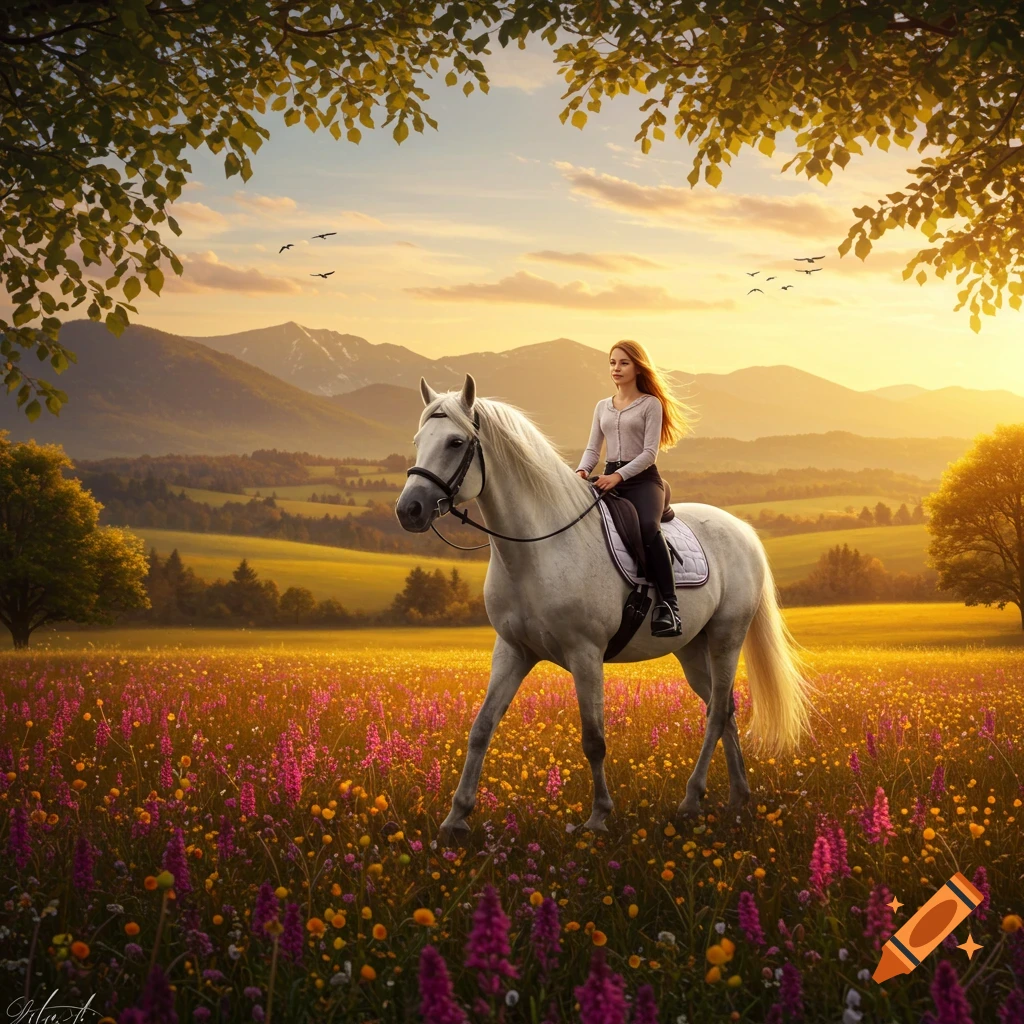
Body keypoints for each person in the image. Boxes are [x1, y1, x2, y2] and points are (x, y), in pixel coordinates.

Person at [575, 340, 695, 636]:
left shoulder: (650, 404)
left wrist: (618, 478)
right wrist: (581, 472)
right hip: (607, 478)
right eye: (613, 363)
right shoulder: (602, 406)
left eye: (623, 363)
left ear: (638, 367)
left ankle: (669, 606)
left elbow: (648, 454)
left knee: (646, 527)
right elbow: (593, 449)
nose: (616, 368)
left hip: (643, 480)